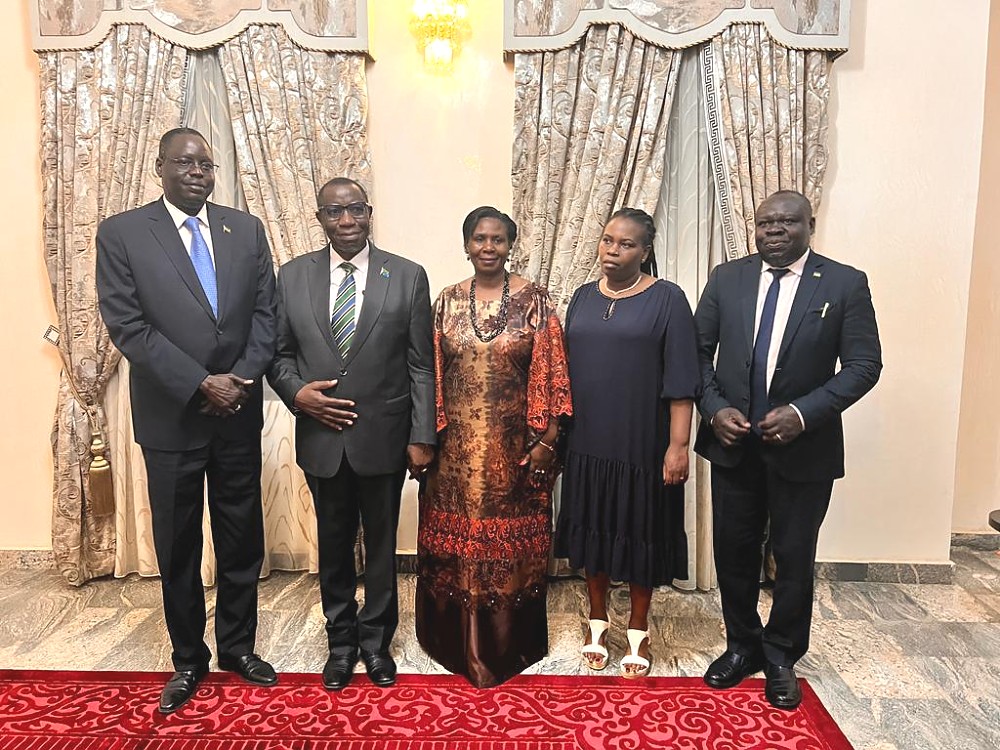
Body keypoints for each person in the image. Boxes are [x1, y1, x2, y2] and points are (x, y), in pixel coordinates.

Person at [95, 128, 278, 714]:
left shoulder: (245, 229)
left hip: (237, 412)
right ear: (160, 167)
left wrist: (238, 380)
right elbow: (127, 325)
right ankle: (189, 658)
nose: (198, 172)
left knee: (241, 537)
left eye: (206, 164)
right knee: (178, 543)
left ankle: (238, 648)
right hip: (172, 416)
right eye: (185, 162)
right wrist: (200, 381)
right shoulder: (123, 233)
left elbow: (266, 317)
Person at [694, 190, 882, 710]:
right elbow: (696, 353)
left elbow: (864, 366)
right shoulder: (726, 278)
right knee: (733, 552)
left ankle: (781, 655)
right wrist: (714, 409)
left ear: (810, 225)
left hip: (805, 450)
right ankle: (742, 645)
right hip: (733, 445)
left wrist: (802, 413)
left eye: (787, 222)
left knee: (793, 557)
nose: (774, 230)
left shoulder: (844, 283)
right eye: (765, 223)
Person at [267, 178, 435, 691]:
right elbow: (278, 354)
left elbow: (421, 365)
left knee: (382, 546)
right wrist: (297, 394)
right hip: (321, 438)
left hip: (383, 436)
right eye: (335, 211)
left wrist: (422, 435)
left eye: (356, 209)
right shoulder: (292, 275)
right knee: (334, 544)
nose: (347, 220)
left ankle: (377, 643)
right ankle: (340, 643)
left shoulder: (406, 275)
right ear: (319, 217)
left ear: (369, 212)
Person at [416, 206, 572, 688]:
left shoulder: (535, 301)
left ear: (510, 245)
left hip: (515, 454)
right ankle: (449, 641)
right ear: (466, 245)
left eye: (498, 239)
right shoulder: (445, 301)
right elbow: (428, 375)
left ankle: (508, 644)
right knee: (455, 542)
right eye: (480, 239)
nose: (489, 247)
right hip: (453, 457)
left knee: (510, 546)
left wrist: (548, 440)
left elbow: (555, 374)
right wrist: (423, 439)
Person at [554, 207, 699, 679]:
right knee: (593, 530)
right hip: (587, 441)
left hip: (641, 443)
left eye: (626, 244)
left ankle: (639, 627)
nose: (613, 250)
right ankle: (597, 620)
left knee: (639, 532)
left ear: (645, 251)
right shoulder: (582, 297)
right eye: (608, 240)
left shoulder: (668, 299)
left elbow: (682, 380)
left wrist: (678, 446)